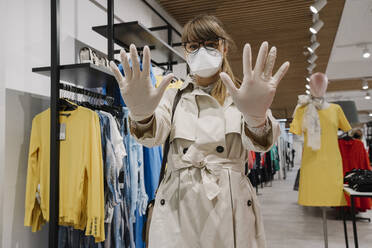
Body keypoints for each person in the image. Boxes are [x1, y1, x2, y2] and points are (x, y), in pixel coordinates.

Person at [110, 15, 289, 248]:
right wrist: (142, 115)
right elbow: (153, 136)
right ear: (185, 52)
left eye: (210, 44)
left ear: (224, 47)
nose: (201, 51)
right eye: (193, 46)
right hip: (179, 207)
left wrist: (257, 119)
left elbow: (261, 143)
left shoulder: (244, 94)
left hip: (230, 206)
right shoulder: (172, 95)